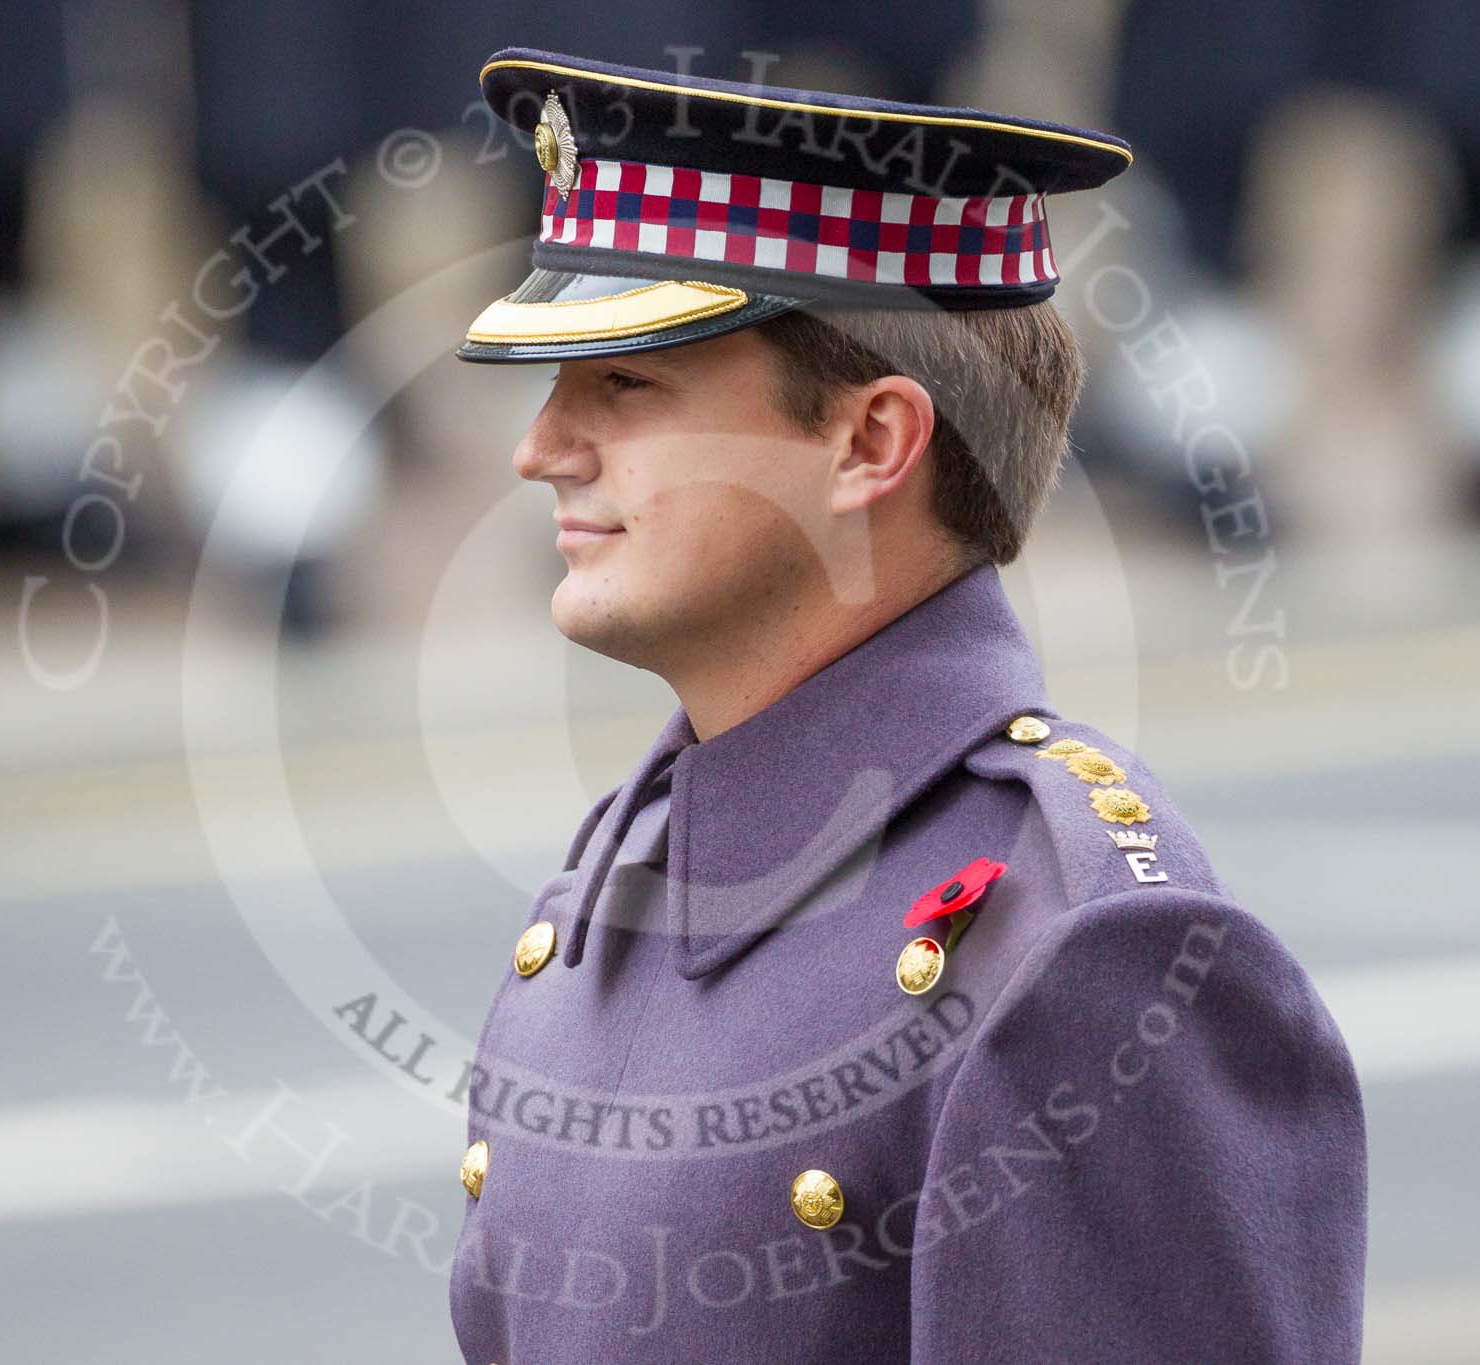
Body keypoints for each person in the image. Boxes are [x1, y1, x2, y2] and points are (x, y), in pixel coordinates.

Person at [445, 47, 1366, 1363]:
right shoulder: (615, 880)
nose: (540, 448)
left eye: (627, 385)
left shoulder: (1079, 955)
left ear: (869, 443)